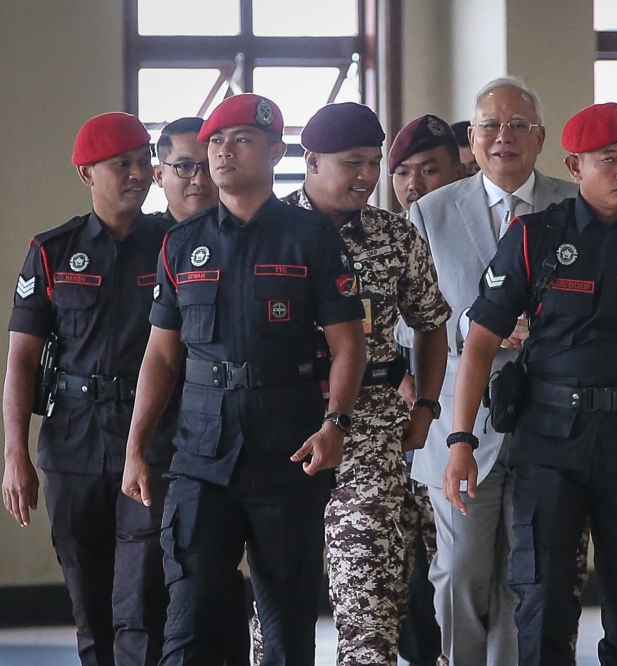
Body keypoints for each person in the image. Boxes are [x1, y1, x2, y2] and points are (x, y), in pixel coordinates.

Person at [446, 102, 617, 666]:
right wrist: (461, 442)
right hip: (549, 439)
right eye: (608, 160)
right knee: (542, 598)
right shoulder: (535, 237)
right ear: (575, 167)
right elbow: (478, 342)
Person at [120, 93, 367, 666]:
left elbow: (347, 342)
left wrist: (336, 425)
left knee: (286, 619)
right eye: (215, 142)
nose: (223, 152)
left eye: (241, 140)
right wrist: (136, 448)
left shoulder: (311, 238)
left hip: (288, 448)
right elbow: (161, 355)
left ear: (276, 151)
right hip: (201, 455)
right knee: (189, 618)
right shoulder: (182, 244)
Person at [269, 102, 451, 666]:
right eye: (353, 163)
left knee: (369, 597)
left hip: (371, 428)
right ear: (312, 160)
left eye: (374, 163)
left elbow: (431, 323)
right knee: (279, 600)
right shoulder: (267, 232)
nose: (368, 177)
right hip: (283, 421)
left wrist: (424, 405)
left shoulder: (393, 236)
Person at [407, 77, 579, 665]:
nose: (503, 137)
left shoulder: (572, 206)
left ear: (540, 138)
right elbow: (409, 323)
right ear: (471, 143)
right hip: (461, 423)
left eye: (516, 126)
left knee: (525, 573)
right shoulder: (431, 213)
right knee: (458, 572)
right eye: (490, 127)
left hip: (550, 419)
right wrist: (473, 330)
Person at [2, 112, 173, 666]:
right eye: (120, 164)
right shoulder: (53, 251)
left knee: (142, 597)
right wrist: (14, 457)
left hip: (150, 441)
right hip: (73, 443)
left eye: (144, 161)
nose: (138, 174)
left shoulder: (172, 244)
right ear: (86, 175)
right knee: (89, 599)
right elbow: (22, 361)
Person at [153, 116, 250, 666]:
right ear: (160, 172)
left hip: (230, 438)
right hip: (156, 441)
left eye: (205, 162)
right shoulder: (152, 243)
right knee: (163, 591)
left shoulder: (264, 234)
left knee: (223, 597)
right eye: (183, 165)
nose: (198, 177)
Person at [387, 114, 468, 666]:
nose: (413, 185)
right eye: (401, 173)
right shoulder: (383, 238)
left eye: (428, 170)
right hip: (398, 427)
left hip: (459, 422)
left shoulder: (472, 228)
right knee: (407, 569)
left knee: (453, 565)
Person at [154, 117, 220, 223]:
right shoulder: (142, 237)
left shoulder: (246, 235)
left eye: (209, 166)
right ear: (159, 175)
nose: (199, 180)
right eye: (185, 166)